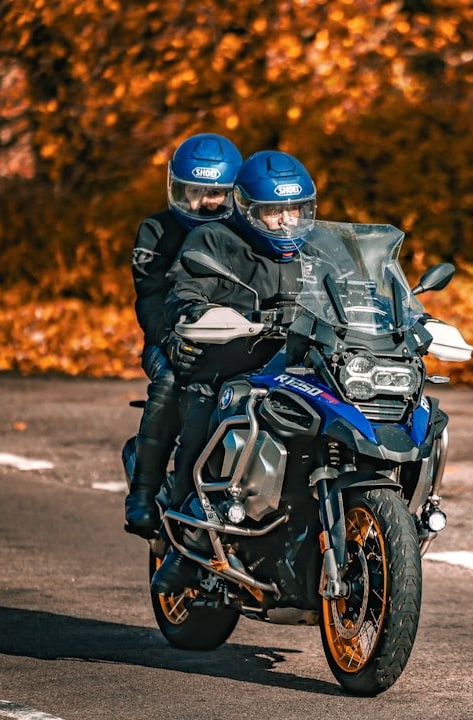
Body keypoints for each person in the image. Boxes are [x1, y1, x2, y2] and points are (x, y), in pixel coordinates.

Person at [151, 150, 318, 594]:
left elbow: (362, 291)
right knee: (211, 406)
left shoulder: (319, 248)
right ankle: (187, 536)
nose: (285, 222)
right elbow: (183, 290)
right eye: (272, 212)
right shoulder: (213, 241)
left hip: (304, 366)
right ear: (247, 208)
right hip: (233, 362)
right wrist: (196, 313)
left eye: (293, 210)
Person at [124, 133, 243, 538]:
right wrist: (172, 340)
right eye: (197, 191)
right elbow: (151, 300)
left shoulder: (244, 233)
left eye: (219, 193)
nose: (209, 202)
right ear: (177, 188)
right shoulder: (155, 232)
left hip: (237, 339)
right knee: (171, 380)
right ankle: (143, 492)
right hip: (170, 338)